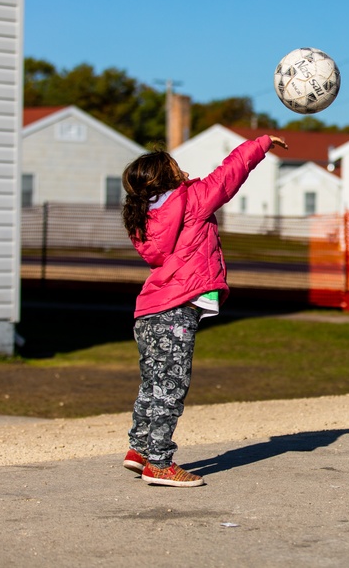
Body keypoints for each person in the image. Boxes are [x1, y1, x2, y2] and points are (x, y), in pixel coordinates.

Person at [119, 134, 287, 486]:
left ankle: (139, 450)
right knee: (171, 386)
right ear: (167, 177)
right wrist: (260, 143)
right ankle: (159, 463)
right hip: (175, 313)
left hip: (148, 312)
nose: (184, 171)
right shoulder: (193, 200)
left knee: (153, 384)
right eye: (176, 167)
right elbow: (230, 173)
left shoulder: (143, 216)